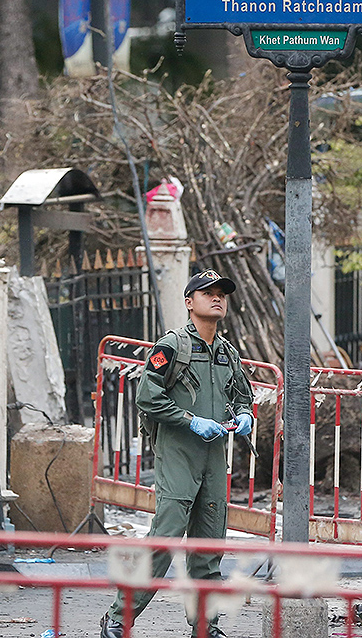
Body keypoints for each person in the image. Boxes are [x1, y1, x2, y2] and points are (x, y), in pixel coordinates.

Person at [101, 269, 255, 638]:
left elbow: (242, 394)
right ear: (189, 303)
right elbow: (148, 396)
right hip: (178, 450)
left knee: (209, 543)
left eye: (222, 293)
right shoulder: (171, 346)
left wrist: (245, 413)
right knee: (166, 536)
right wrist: (190, 420)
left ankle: (206, 625)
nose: (217, 298)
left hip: (214, 454)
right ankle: (119, 617)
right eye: (208, 293)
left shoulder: (227, 352)